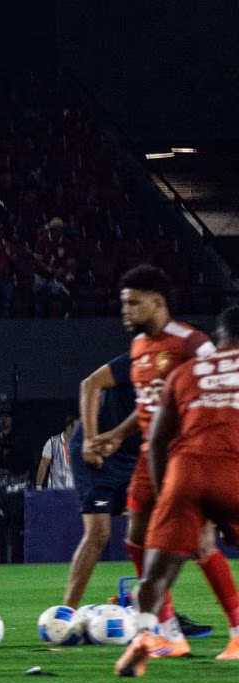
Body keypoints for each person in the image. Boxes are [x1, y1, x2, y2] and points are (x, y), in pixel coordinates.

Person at [79, 265, 239, 651]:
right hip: (149, 454)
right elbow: (153, 405)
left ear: (157, 302)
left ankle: (236, 631)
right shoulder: (137, 348)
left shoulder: (192, 343)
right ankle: (167, 634)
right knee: (135, 539)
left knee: (201, 543)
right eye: (124, 303)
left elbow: (219, 385)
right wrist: (116, 435)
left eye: (134, 303)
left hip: (187, 454)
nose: (127, 311)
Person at [117, 305, 239, 673]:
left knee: (155, 569)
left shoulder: (183, 373)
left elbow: (156, 441)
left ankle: (144, 636)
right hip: (232, 466)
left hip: (184, 472)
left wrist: (167, 493)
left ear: (218, 338)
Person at [58, 365, 138, 610]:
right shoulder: (141, 357)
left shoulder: (186, 380)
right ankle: (66, 613)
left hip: (130, 453)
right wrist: (90, 440)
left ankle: (153, 607)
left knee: (150, 527)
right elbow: (90, 383)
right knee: (99, 533)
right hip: (98, 450)